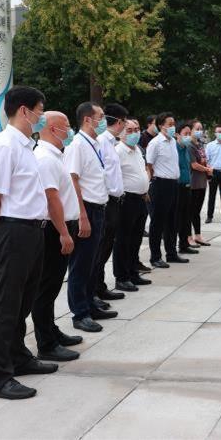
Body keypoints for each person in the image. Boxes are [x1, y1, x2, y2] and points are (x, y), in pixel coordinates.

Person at [0, 86, 55, 400]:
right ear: (24, 110)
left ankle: (18, 357)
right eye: (40, 110)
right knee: (6, 307)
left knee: (23, 302)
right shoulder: (5, 146)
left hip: (32, 232)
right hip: (13, 232)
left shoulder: (27, 147)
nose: (43, 116)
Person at [31, 111, 82, 363]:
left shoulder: (55, 156)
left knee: (51, 287)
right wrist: (63, 232)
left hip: (62, 226)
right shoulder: (45, 158)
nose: (70, 130)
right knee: (46, 287)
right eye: (67, 126)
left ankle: (51, 330)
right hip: (53, 231)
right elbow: (52, 199)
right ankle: (46, 343)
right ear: (53, 129)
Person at [65, 102, 116, 333]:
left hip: (99, 207)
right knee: (81, 265)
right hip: (86, 209)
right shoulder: (77, 145)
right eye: (101, 117)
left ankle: (90, 303)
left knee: (94, 262)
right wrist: (82, 215)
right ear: (88, 119)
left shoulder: (93, 143)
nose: (103, 121)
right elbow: (73, 180)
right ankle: (80, 313)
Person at [113, 118, 153, 291]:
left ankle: (133, 271)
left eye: (136, 129)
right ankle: (121, 277)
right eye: (129, 130)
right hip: (126, 199)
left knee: (136, 238)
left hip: (141, 198)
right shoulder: (118, 151)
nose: (134, 133)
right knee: (123, 239)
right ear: (121, 132)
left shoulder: (138, 150)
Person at [94, 103, 128, 302]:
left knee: (106, 247)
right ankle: (95, 289)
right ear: (120, 121)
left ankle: (99, 286)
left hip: (114, 201)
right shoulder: (101, 141)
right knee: (100, 248)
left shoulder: (110, 142)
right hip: (106, 201)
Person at [146, 112, 182, 267]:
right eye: (170, 124)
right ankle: (155, 256)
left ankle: (171, 253)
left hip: (174, 184)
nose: (173, 127)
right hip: (160, 184)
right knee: (158, 222)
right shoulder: (155, 143)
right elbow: (149, 165)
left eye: (174, 124)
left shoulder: (173, 141)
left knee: (172, 221)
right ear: (161, 126)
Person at [188, 119, 213, 247]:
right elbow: (194, 165)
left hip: (202, 182)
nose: (199, 131)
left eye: (201, 129)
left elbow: (203, 161)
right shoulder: (190, 146)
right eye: (196, 129)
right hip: (193, 183)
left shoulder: (199, 145)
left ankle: (198, 235)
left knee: (197, 211)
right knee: (190, 211)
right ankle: (188, 237)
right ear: (190, 130)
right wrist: (207, 169)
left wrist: (207, 168)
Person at [175, 122, 199, 255]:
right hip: (178, 186)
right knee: (178, 217)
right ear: (177, 134)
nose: (188, 136)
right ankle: (177, 245)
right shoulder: (174, 148)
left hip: (187, 185)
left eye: (190, 134)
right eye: (186, 134)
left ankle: (184, 244)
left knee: (186, 217)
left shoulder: (186, 148)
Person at [205, 124, 221, 223]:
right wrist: (208, 174)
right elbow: (207, 161)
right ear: (215, 133)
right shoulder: (210, 146)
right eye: (219, 132)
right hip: (213, 172)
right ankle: (209, 216)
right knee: (212, 195)